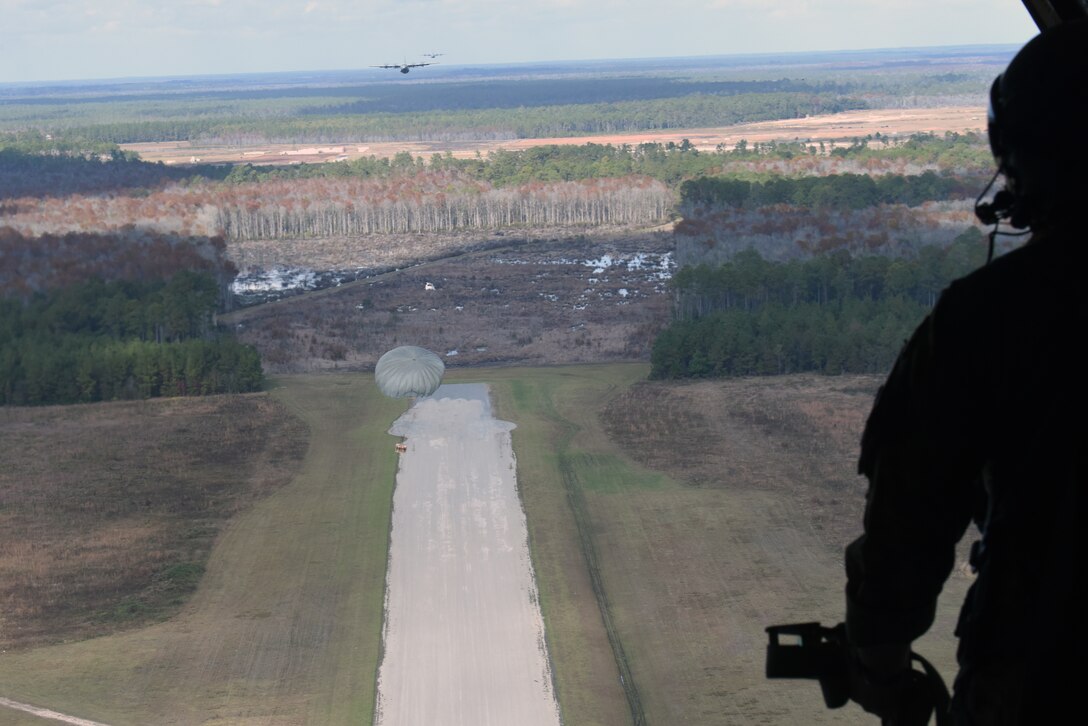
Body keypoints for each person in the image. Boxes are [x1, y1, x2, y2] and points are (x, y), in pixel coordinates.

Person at [843, 19, 1088, 725]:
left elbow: (908, 522)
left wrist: (879, 665)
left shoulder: (992, 315)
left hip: (1042, 678)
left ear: (1021, 162)